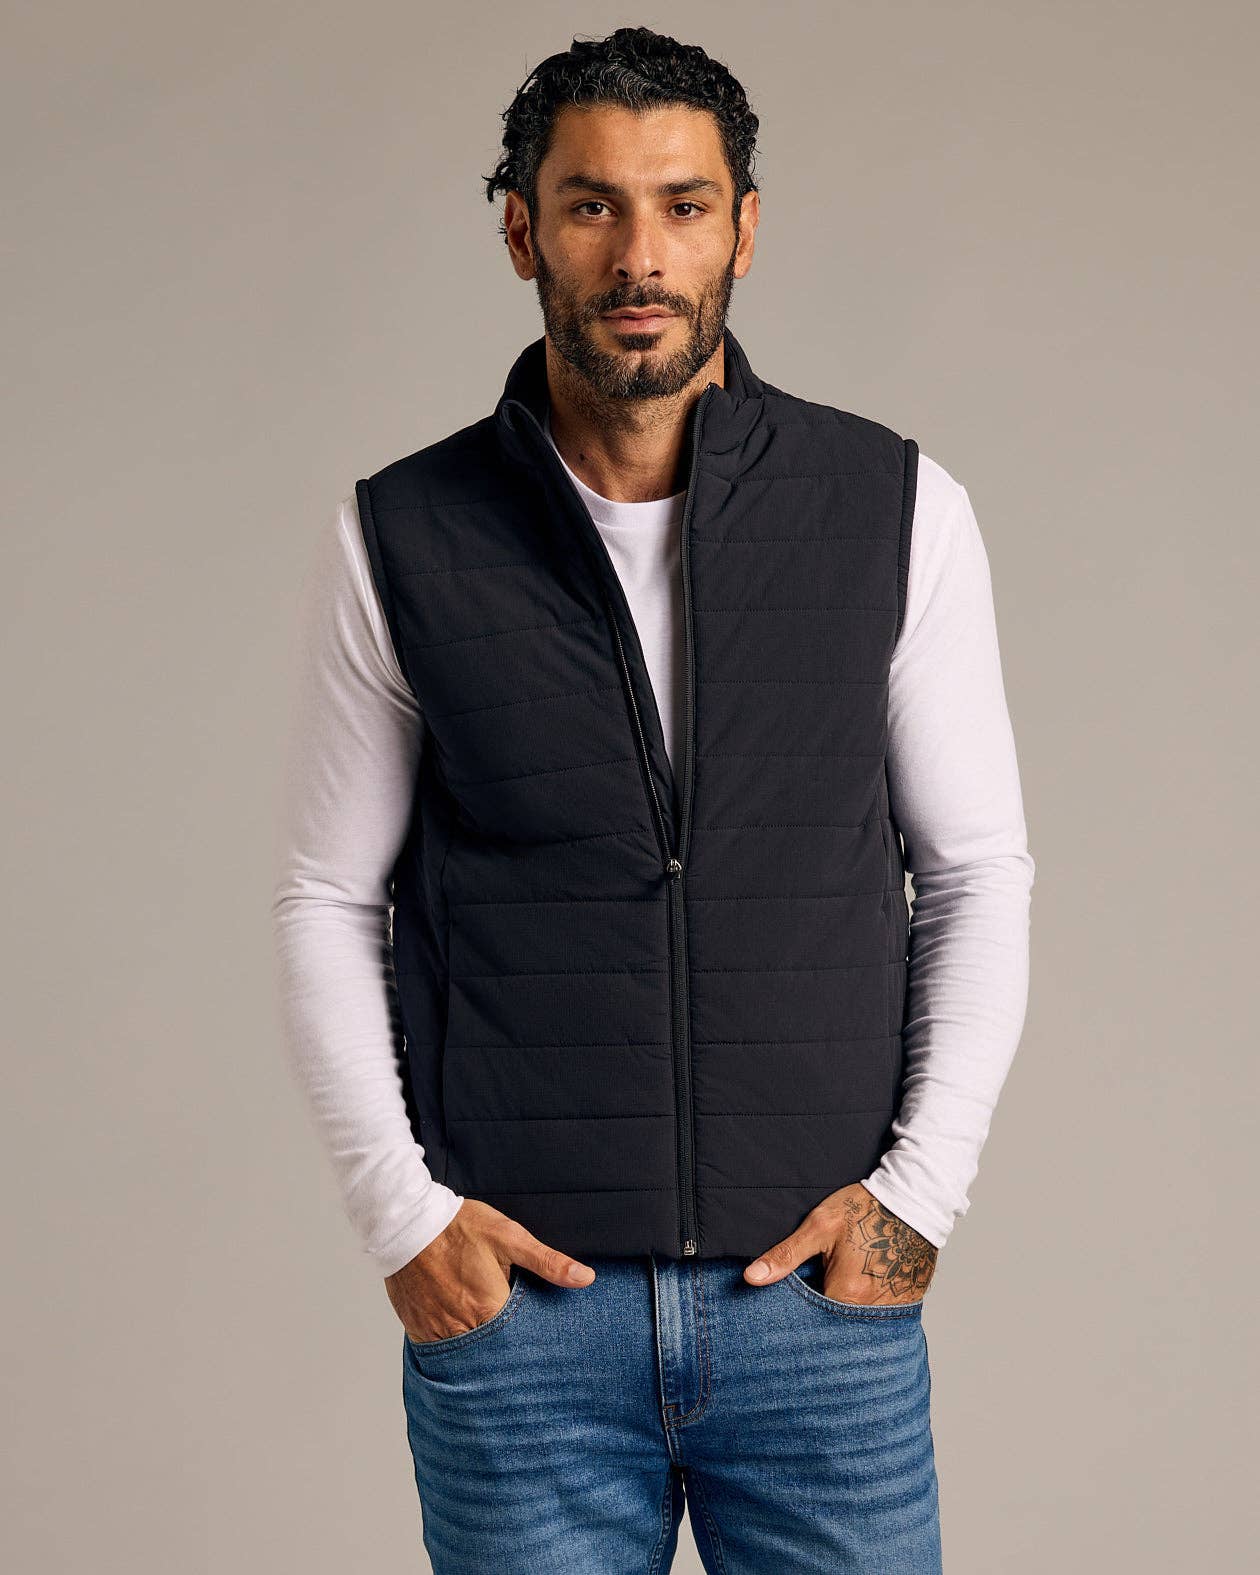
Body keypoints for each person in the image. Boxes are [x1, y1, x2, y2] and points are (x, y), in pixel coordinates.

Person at [271, 25, 1034, 1574]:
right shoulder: (405, 534)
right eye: (592, 206)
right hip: (522, 1330)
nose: (640, 256)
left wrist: (914, 1205)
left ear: (743, 229)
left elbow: (976, 873)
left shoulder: (893, 510)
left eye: (683, 206)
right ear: (521, 231)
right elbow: (325, 897)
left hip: (815, 1319)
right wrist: (404, 1224)